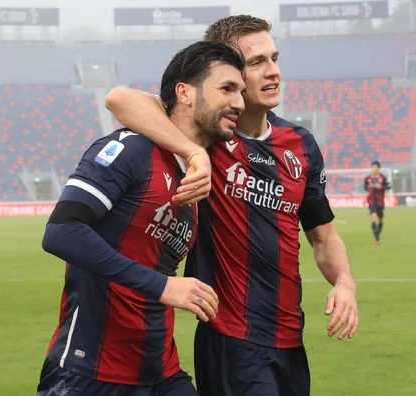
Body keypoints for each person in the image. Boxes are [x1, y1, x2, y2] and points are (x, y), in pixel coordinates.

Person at [105, 15, 358, 396]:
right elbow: (119, 99)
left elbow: (323, 237)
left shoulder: (301, 144)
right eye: (257, 63)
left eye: (274, 58)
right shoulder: (207, 131)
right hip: (232, 339)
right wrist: (194, 152)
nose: (273, 72)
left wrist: (344, 283)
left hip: (290, 337)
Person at [37, 41, 247, 396]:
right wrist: (163, 285)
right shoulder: (131, 149)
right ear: (185, 93)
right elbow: (61, 232)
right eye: (227, 89)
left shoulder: (200, 177)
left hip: (160, 372)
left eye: (241, 91)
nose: (239, 102)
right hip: (90, 371)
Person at [363, 161, 391, 245]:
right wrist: (367, 190)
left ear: (378, 168)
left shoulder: (382, 177)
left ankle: (377, 233)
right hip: (371, 201)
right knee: (373, 217)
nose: (374, 169)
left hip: (380, 202)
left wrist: (382, 187)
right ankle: (377, 239)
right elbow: (365, 186)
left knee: (380, 220)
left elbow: (389, 186)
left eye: (375, 167)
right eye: (373, 167)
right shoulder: (368, 178)